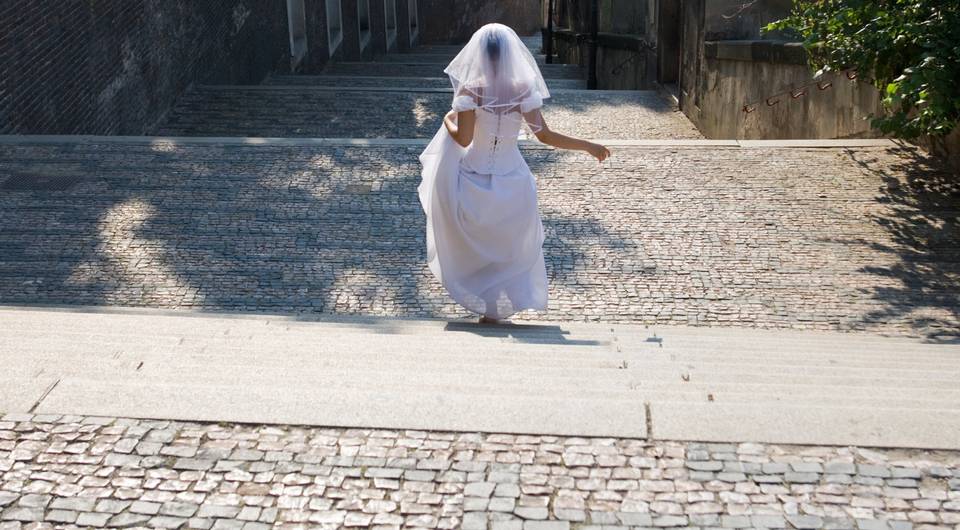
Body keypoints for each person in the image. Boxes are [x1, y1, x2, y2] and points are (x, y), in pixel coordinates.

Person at [418, 22, 611, 324]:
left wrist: (446, 118)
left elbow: (464, 139)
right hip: (513, 179)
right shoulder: (522, 88)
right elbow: (544, 135)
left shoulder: (472, 89)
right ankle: (495, 307)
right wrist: (588, 145)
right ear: (510, 53)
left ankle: (489, 305)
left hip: (474, 177)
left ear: (479, 53)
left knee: (479, 244)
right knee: (505, 246)